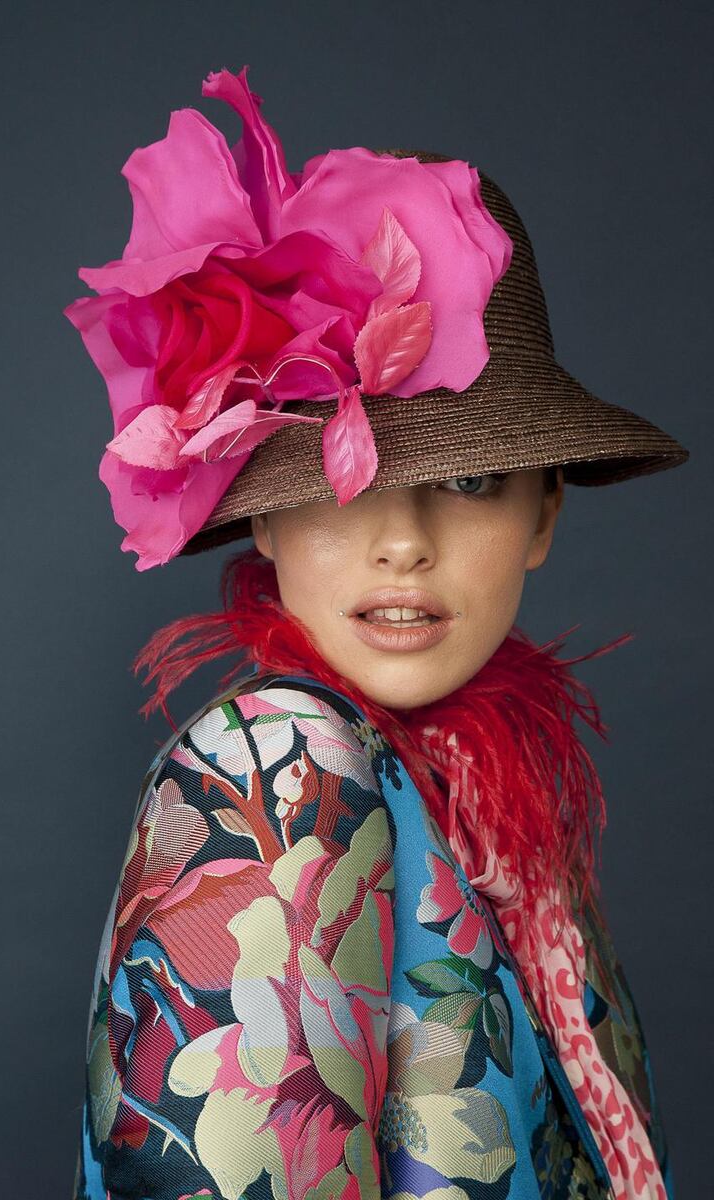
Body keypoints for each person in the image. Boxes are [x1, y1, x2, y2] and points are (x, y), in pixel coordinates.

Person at [64, 66, 688, 1200]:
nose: (401, 541)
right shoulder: (282, 766)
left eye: (471, 479)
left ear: (543, 514)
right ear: (260, 510)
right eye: (347, 479)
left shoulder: (501, 814)